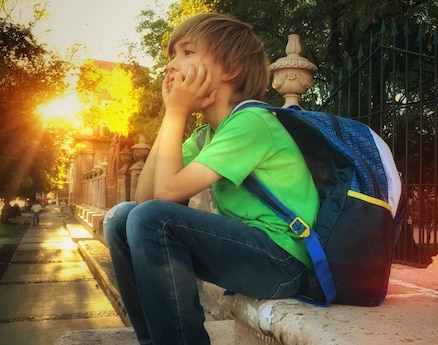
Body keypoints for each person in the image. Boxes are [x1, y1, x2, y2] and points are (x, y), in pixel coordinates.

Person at [103, 13, 319, 345]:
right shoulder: (206, 136)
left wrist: (177, 112)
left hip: (284, 262)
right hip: (255, 254)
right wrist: (170, 113)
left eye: (187, 52)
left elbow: (162, 199)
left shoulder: (252, 122)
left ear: (230, 69)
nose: (173, 65)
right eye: (172, 56)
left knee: (151, 219)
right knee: (120, 218)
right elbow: (146, 198)